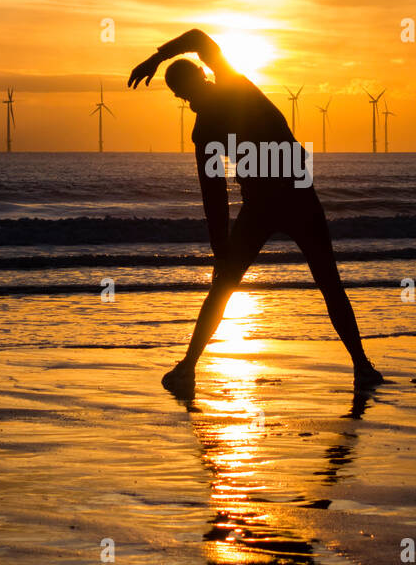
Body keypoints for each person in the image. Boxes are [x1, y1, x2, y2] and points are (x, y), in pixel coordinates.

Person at [128, 28, 383, 390]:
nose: (187, 102)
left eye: (185, 93)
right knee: (228, 285)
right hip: (263, 204)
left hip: (295, 198)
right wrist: (220, 251)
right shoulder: (206, 128)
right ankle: (188, 366)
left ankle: (362, 367)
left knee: (327, 282)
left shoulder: (233, 85)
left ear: (202, 78)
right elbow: (212, 198)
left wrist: (157, 57)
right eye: (180, 97)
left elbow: (200, 38)